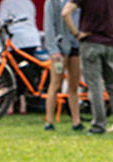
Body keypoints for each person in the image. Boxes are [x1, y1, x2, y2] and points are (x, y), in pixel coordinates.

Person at [62, 0, 113, 133]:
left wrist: (76, 34)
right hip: (111, 43)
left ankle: (98, 125)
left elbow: (66, 12)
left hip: (90, 42)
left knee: (95, 86)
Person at [43, 0, 85, 129]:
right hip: (60, 48)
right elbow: (49, 26)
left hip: (76, 46)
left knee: (74, 84)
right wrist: (53, 50)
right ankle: (49, 121)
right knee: (56, 84)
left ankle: (76, 121)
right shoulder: (52, 2)